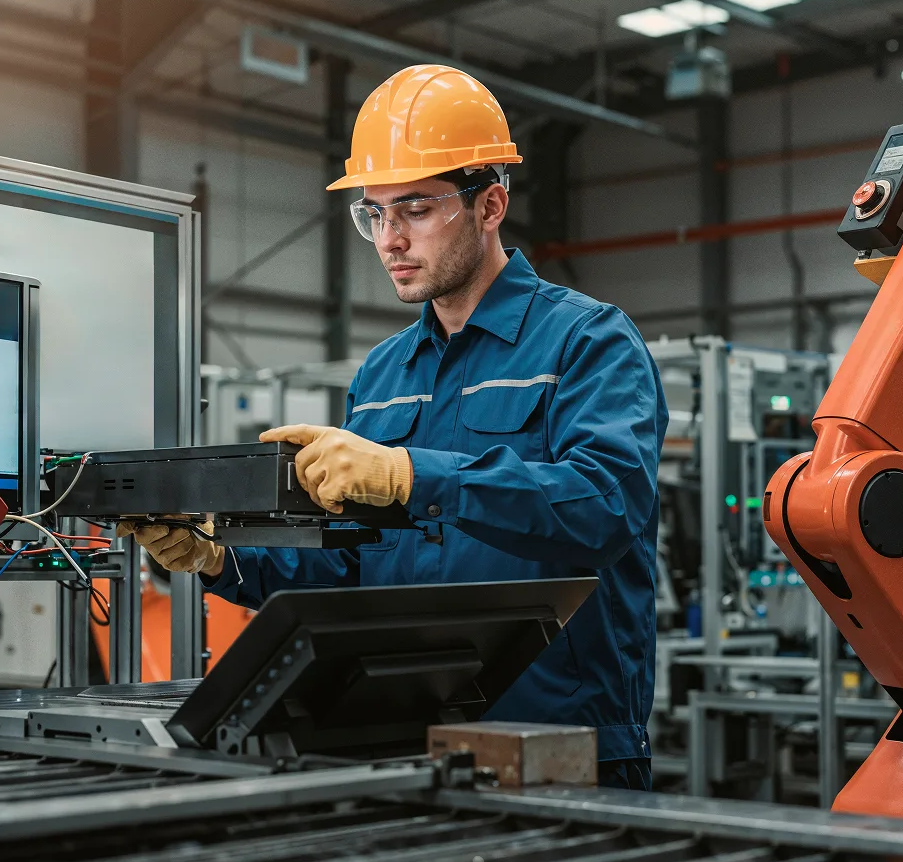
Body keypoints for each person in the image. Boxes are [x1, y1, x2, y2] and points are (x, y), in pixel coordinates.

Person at [119, 64, 667, 789]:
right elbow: (351, 566)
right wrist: (220, 557)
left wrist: (414, 475)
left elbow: (604, 507)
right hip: (403, 745)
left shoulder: (587, 342)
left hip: (562, 745)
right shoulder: (382, 376)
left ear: (490, 204)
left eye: (415, 208)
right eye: (373, 213)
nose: (388, 239)